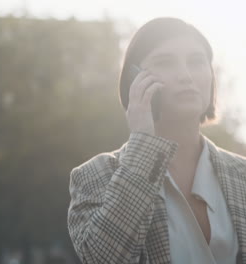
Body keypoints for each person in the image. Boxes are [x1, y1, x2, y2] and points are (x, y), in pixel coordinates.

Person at [67, 17, 246, 264]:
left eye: (196, 62)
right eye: (165, 62)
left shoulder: (241, 173)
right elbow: (104, 259)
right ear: (134, 79)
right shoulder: (96, 175)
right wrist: (142, 144)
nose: (186, 76)